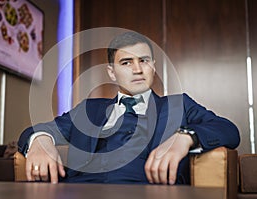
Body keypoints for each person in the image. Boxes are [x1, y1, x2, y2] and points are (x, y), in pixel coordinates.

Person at [18, 31, 240, 185]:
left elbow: (229, 130)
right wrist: (40, 141)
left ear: (153, 67)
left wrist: (184, 137)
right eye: (126, 63)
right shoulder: (89, 109)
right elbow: (39, 129)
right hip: (78, 189)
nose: (137, 69)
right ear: (112, 72)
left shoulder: (178, 105)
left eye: (143, 61)